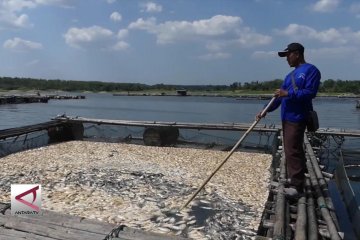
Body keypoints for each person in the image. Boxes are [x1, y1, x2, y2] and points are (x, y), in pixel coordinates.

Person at [257, 42, 321, 197]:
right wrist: (265, 110)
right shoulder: (289, 76)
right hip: (286, 117)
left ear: (297, 54)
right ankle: (295, 179)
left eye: (288, 55)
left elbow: (310, 93)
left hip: (298, 117)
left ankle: (297, 188)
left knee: (292, 150)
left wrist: (288, 94)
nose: (287, 59)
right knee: (292, 148)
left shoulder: (311, 70)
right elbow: (278, 98)